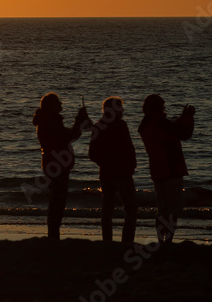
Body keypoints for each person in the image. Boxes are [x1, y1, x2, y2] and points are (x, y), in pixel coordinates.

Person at [138, 94, 195, 243]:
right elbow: (183, 134)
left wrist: (183, 118)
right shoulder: (159, 123)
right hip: (171, 169)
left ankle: (161, 240)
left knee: (162, 208)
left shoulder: (146, 124)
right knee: (171, 209)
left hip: (157, 170)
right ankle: (168, 241)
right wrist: (188, 117)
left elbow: (172, 130)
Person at [32, 92, 88, 240]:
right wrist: (79, 120)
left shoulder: (46, 121)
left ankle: (53, 234)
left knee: (56, 200)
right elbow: (70, 136)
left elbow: (68, 137)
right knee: (58, 201)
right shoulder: (51, 122)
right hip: (57, 165)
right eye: (58, 103)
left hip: (51, 163)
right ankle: (53, 235)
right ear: (52, 106)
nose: (61, 104)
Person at [88, 96, 138, 244]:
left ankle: (107, 241)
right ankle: (127, 241)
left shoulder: (98, 126)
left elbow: (92, 154)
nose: (122, 110)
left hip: (106, 173)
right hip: (121, 173)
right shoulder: (120, 125)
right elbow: (129, 148)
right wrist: (130, 165)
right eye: (119, 107)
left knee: (108, 208)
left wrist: (104, 163)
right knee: (131, 208)